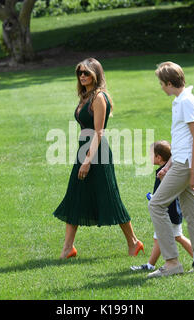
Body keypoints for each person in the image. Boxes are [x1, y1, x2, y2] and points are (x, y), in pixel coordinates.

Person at [52, 58, 144, 259]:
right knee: (75, 195)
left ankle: (134, 242)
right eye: (80, 73)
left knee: (109, 197)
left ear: (96, 74)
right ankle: (68, 248)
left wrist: (87, 161)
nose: (82, 76)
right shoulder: (85, 96)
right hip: (83, 150)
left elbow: (98, 132)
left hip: (97, 154)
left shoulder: (99, 98)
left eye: (86, 73)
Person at [147, 62, 194, 278]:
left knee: (156, 204)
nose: (161, 87)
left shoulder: (187, 101)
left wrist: (192, 172)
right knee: (193, 214)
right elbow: (183, 140)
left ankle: (172, 263)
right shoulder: (180, 101)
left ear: (169, 83)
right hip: (182, 162)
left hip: (187, 165)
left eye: (161, 84)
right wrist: (168, 165)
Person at [131, 140, 193, 271]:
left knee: (174, 237)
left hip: (168, 213)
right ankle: (150, 264)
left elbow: (165, 194)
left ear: (158, 157)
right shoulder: (169, 170)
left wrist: (154, 199)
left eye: (150, 154)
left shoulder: (164, 173)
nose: (148, 157)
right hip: (171, 212)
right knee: (162, 238)